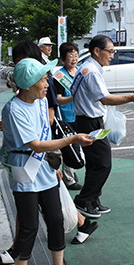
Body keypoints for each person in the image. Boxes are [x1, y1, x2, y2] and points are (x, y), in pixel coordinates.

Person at [0, 57, 95, 265]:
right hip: (26, 171)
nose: (47, 82)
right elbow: (35, 144)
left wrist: (56, 162)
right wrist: (72, 139)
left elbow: (47, 136)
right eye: (43, 79)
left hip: (46, 169)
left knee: (55, 219)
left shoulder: (40, 102)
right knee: (29, 226)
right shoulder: (13, 109)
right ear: (29, 84)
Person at [71, 35, 134, 218]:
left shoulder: (87, 67)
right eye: (110, 51)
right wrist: (130, 97)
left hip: (87, 120)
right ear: (97, 51)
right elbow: (104, 98)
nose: (112, 55)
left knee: (95, 163)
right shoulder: (92, 71)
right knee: (103, 164)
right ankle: (83, 201)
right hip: (90, 122)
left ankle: (92, 200)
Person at [53, 42, 83, 191]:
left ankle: (71, 171)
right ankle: (69, 179)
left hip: (81, 114)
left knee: (79, 146)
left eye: (76, 55)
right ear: (63, 58)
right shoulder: (59, 76)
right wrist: (73, 97)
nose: (74, 59)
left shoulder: (79, 72)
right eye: (70, 56)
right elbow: (58, 99)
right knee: (72, 147)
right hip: (67, 116)